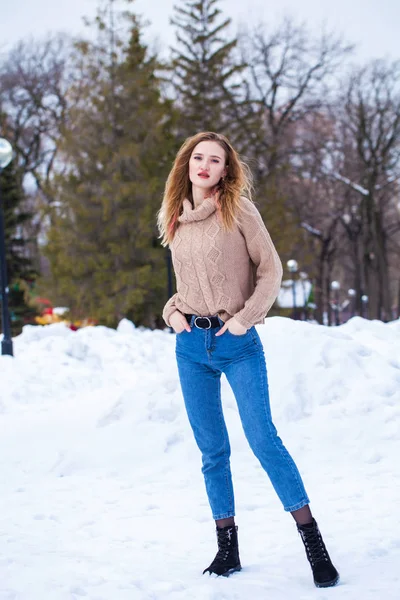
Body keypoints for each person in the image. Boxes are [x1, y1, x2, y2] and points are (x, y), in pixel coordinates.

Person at [157, 132, 339, 588]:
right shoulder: (174, 215)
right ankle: (227, 549)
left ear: (225, 169)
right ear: (187, 164)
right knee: (212, 452)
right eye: (198, 157)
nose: (204, 165)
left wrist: (244, 319)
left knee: (263, 440)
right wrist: (173, 312)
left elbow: (270, 269)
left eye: (214, 160)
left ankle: (313, 544)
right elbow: (186, 284)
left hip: (236, 343)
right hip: (191, 349)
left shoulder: (239, 210)